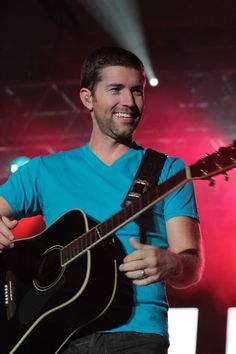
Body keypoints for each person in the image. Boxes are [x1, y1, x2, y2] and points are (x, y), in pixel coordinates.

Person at [0, 47, 203, 354]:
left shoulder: (169, 171)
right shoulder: (42, 171)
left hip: (135, 333)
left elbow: (191, 268)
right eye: (115, 90)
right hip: (55, 333)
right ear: (87, 98)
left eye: (137, 91)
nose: (129, 102)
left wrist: (173, 262)